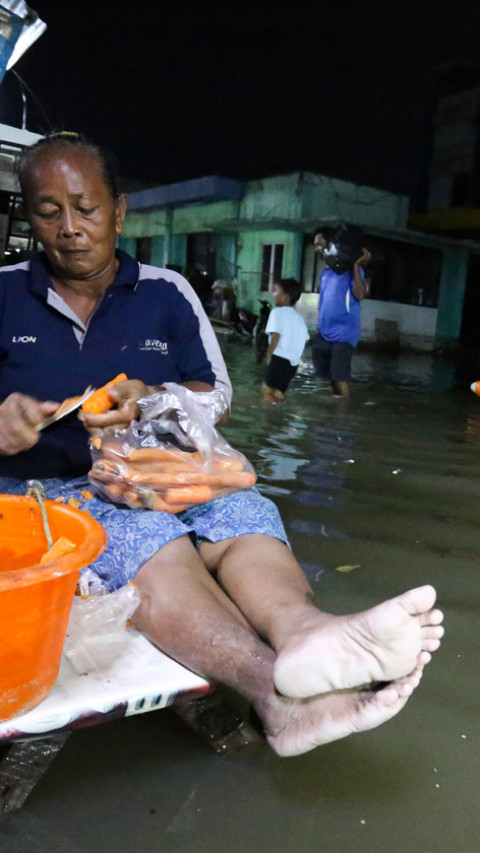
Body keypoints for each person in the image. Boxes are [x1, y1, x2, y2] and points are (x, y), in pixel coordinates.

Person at [0, 133, 444, 757]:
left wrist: (152, 395)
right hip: (47, 498)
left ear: (119, 211)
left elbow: (218, 393)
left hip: (154, 471)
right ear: (29, 215)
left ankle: (308, 632)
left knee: (244, 511)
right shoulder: (3, 293)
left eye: (87, 207)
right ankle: (276, 698)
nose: (70, 228)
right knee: (151, 539)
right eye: (50, 211)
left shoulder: (166, 291)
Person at [312, 225, 371, 397]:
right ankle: (334, 410)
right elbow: (322, 304)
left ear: (332, 244)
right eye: (315, 245)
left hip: (344, 334)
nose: (317, 249)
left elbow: (360, 295)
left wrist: (357, 264)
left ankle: (344, 414)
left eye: (319, 244)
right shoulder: (326, 273)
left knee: (340, 376)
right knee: (328, 376)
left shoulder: (353, 271)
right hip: (324, 333)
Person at [262, 278, 309, 403]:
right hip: (293, 363)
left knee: (267, 390)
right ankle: (281, 415)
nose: (273, 295)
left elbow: (276, 335)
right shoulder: (299, 318)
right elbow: (306, 340)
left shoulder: (276, 312)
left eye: (276, 291)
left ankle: (272, 414)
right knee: (279, 392)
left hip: (279, 359)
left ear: (285, 297)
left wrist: (269, 354)